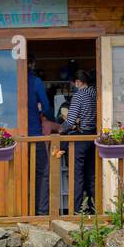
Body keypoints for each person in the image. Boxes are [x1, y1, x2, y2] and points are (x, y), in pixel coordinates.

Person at [63, 68, 98, 215]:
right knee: (91, 174)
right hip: (93, 136)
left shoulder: (79, 96)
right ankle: (93, 207)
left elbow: (70, 121)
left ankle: (77, 209)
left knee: (77, 174)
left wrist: (61, 128)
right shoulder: (95, 93)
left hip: (81, 137)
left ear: (77, 82)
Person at [26, 64, 59, 216]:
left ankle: (24, 210)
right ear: (31, 64)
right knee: (43, 172)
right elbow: (45, 106)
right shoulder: (35, 81)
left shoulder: (11, 80)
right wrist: (52, 119)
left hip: (15, 137)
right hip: (34, 134)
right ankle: (41, 211)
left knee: (20, 172)